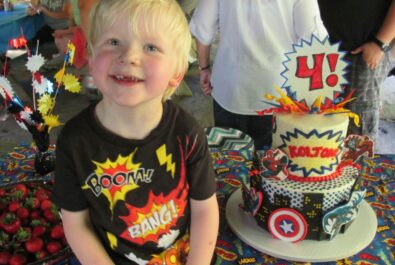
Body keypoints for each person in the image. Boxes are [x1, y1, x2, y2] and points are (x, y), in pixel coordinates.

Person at [50, 0, 219, 264]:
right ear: (92, 58)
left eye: (151, 47)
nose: (129, 56)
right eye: (114, 42)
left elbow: (204, 209)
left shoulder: (186, 132)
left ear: (176, 73)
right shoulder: (74, 142)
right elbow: (75, 222)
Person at [189, 0, 327, 150]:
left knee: (229, 164)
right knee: (272, 165)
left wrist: (204, 68)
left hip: (230, 86)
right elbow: (314, 41)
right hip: (278, 91)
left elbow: (202, 28)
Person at [318, 0, 395, 143]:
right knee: (315, 128)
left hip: (362, 52)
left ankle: (358, 165)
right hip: (320, 50)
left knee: (357, 132)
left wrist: (380, 43)